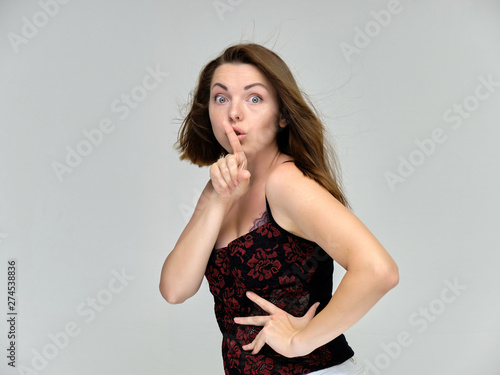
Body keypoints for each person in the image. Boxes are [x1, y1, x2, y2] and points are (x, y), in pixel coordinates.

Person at [159, 43, 399, 375]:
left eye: (254, 98)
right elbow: (174, 289)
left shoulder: (285, 182)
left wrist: (299, 342)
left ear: (283, 115)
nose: (234, 112)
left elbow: (378, 270)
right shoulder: (218, 188)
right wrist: (218, 199)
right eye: (221, 98)